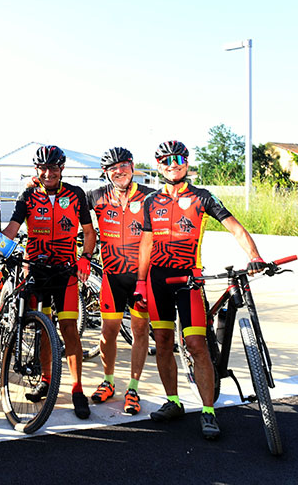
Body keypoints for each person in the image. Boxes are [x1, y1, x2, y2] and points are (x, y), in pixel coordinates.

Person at [135, 140, 265, 440]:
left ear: (187, 161)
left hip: (189, 279)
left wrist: (254, 256)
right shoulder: (150, 201)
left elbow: (235, 227)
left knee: (196, 344)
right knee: (164, 341)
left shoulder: (202, 197)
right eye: (166, 160)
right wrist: (141, 281)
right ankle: (174, 402)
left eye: (178, 158)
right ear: (158, 166)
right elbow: (145, 243)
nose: (173, 164)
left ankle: (208, 411)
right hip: (156, 280)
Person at [1, 145, 97, 419]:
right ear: (36, 171)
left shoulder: (75, 194)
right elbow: (12, 228)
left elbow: (89, 233)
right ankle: (46, 379)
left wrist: (85, 259)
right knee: (43, 329)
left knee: (69, 328)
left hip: (65, 272)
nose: (47, 173)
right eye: (42, 168)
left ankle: (77, 389)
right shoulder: (28, 195)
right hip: (37, 270)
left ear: (61, 169)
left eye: (53, 168)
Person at [86, 147, 154, 415]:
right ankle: (109, 381)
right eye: (112, 167)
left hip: (142, 278)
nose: (119, 171)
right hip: (112, 277)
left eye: (123, 165)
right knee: (108, 333)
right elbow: (67, 198)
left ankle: (134, 388)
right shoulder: (96, 196)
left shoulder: (150, 196)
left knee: (139, 332)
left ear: (133, 165)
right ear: (106, 172)